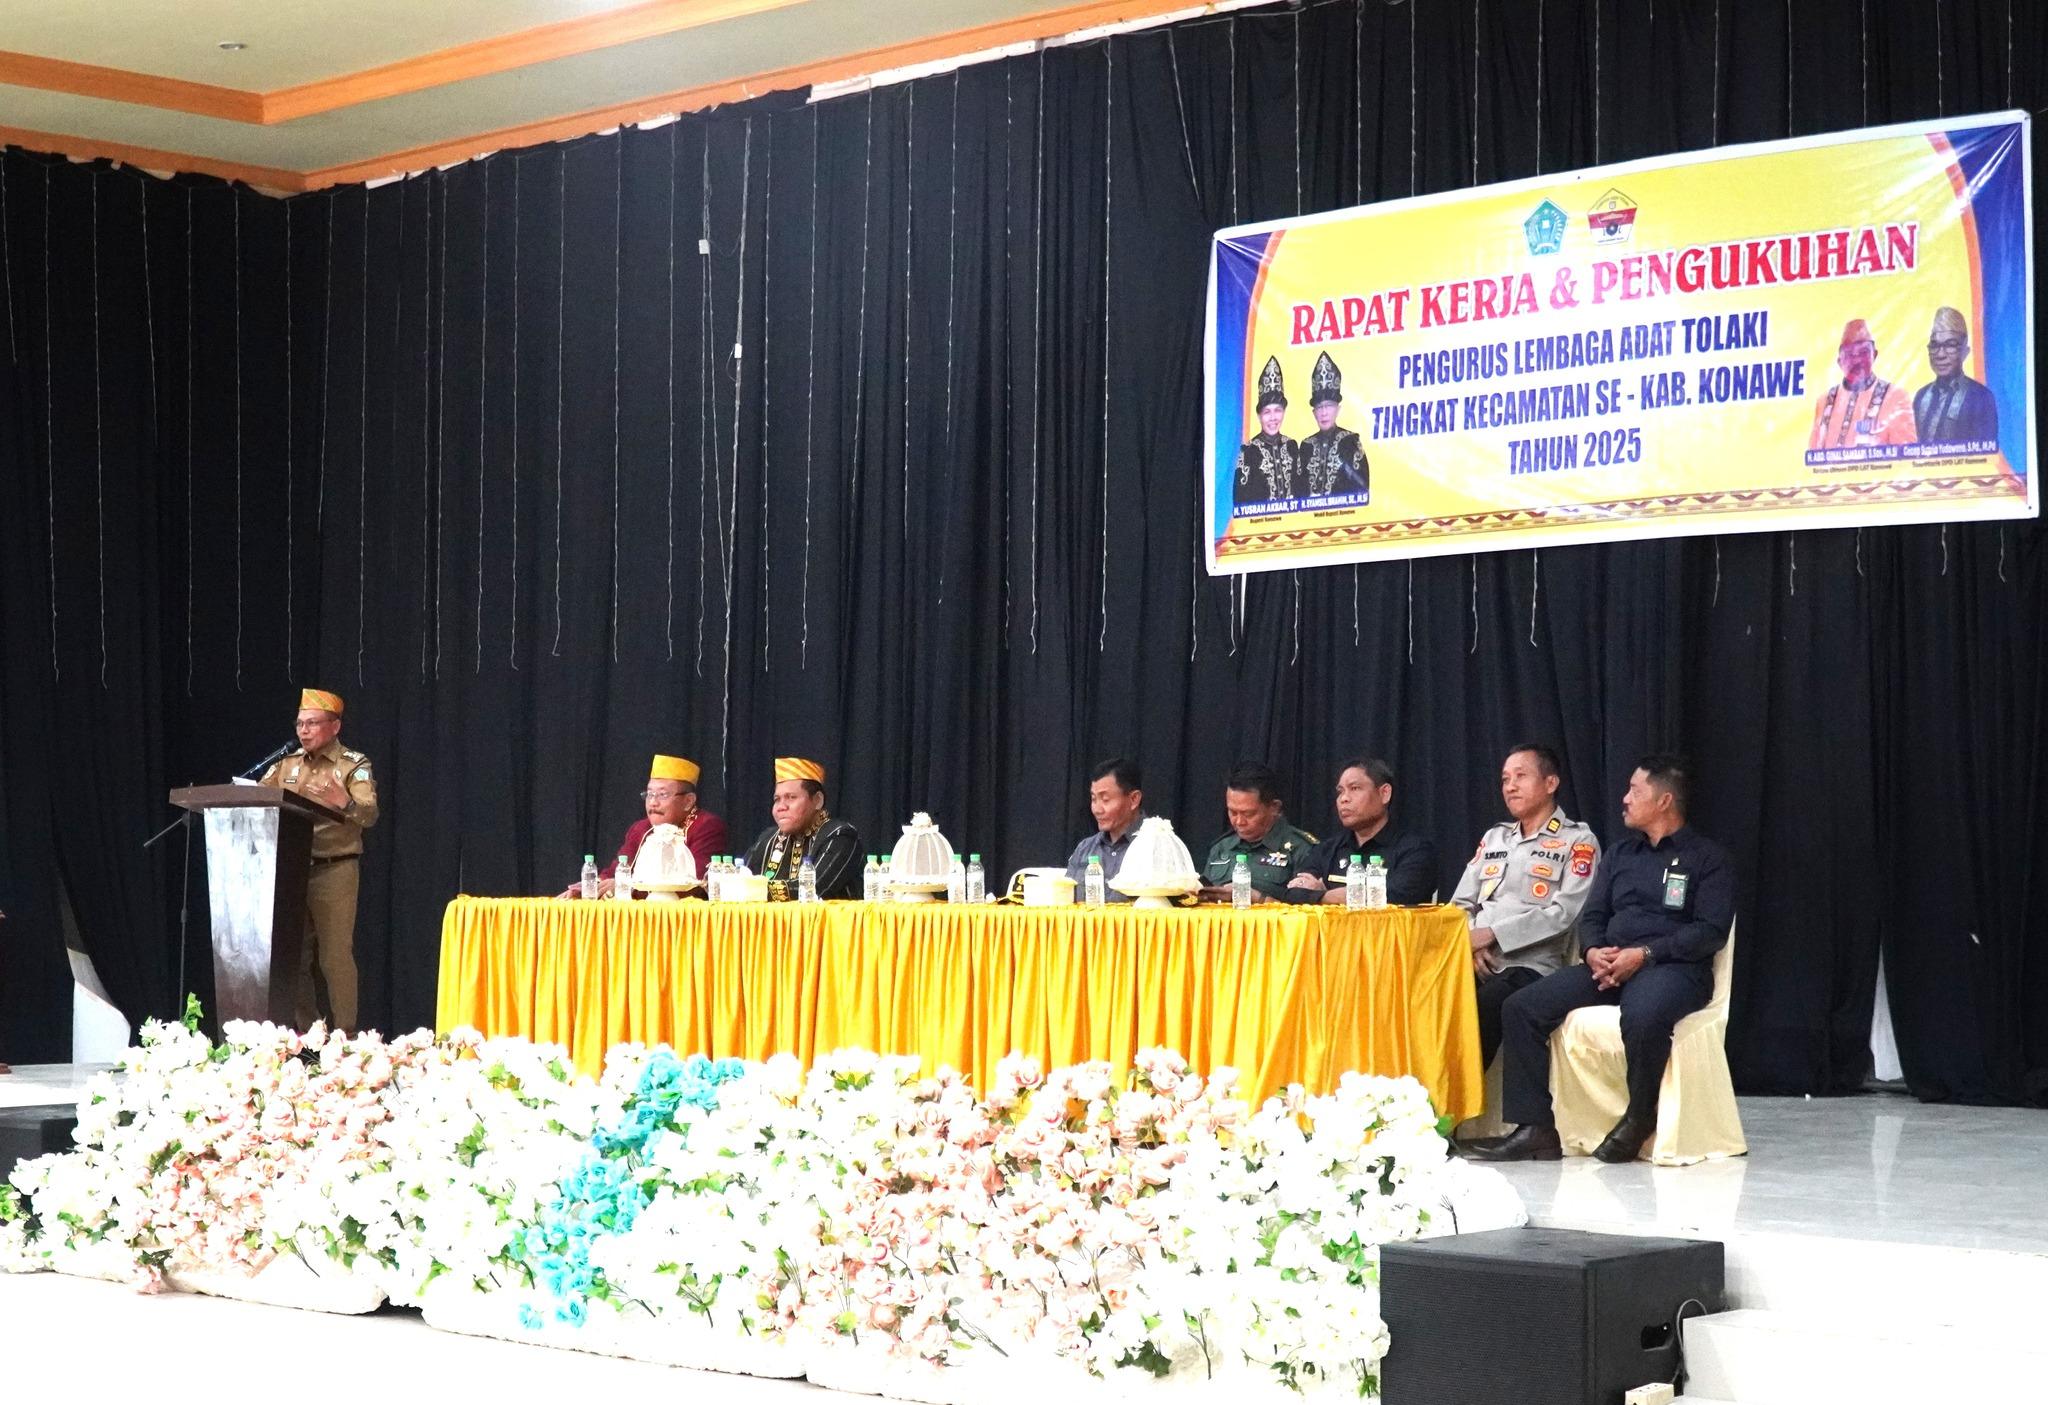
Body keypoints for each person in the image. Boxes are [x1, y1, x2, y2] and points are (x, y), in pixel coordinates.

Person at [1469, 755, 1734, 1165]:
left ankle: (1640, 1117)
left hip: (1672, 968)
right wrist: (1592, 950)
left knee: (1644, 1014)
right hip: (1608, 966)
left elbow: (1710, 931)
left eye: (1634, 791)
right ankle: (1535, 1129)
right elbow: (1592, 916)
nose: (1624, 799)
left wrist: (1644, 954)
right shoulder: (1619, 854)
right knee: (1521, 1007)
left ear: (1664, 801)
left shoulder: (1707, 858)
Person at [1449, 744, 1602, 1070]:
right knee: (1424, 996)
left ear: (1550, 783)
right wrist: (1470, 943)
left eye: (1520, 776)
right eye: (1505, 779)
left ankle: (1456, 1099)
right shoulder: (1495, 837)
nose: (1510, 786)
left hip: (1532, 966)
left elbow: (1564, 913)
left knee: (1482, 1007)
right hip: (1474, 959)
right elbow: (1459, 905)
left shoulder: (1578, 841)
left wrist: (1492, 934)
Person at [259, 688, 379, 1032]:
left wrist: (346, 803)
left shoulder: (353, 765)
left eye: (312, 723)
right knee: (292, 958)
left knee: (334, 957)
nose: (303, 731)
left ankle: (347, 1036)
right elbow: (257, 795)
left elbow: (370, 814)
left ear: (335, 726)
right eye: (300, 724)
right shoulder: (287, 764)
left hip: (334, 869)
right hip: (291, 869)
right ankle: (311, 1036)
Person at [560, 754, 729, 898]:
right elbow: (617, 869)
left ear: (688, 801)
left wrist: (626, 887)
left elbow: (696, 882)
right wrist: (590, 887)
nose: (653, 802)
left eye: (662, 795)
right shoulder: (641, 828)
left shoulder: (706, 826)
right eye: (649, 794)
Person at [1285, 756, 1439, 906]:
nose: (1344, 799)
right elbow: (1292, 892)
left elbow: (1398, 894)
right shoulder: (1328, 849)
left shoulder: (1415, 850)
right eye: (1340, 791)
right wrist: (1329, 897)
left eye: (1355, 788)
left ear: (1384, 793)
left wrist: (1324, 895)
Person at [742, 757, 862, 900]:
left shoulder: (840, 835)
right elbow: (741, 876)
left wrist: (751, 889)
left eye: (791, 797)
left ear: (817, 800)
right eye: (777, 799)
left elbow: (813, 888)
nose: (781, 807)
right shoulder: (768, 839)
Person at [1197, 763, 1316, 902]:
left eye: (1248, 814)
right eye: (1233, 812)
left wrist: (1256, 898)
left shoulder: (1301, 850)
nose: (1239, 821)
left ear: (1274, 808)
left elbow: (1308, 912)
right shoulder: (1221, 848)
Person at [1808, 318, 1916, 450]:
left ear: (1874, 355)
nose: (1857, 360)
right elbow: (1813, 455)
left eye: (1863, 352)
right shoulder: (1824, 401)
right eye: (1849, 354)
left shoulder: (1896, 397)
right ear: (1839, 362)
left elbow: (1906, 455)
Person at [1912, 306, 1999, 446]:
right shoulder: (1921, 396)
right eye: (1934, 346)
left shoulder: (1980, 397)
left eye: (1950, 345)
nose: (1940, 354)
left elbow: (1986, 453)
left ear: (1965, 351)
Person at [1065, 757, 1147, 899]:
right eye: (1093, 799)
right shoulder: (1084, 849)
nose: (1097, 809)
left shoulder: (1157, 847)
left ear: (1134, 799)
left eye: (1105, 799)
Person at [1299, 351, 1369, 499]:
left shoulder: (1350, 442)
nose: (1324, 413)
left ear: (1338, 409)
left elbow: (1361, 489)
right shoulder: (1306, 447)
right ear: (1314, 413)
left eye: (1329, 406)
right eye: (1319, 407)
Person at [1234, 356, 1303, 507]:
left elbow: (1301, 492)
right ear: (1259, 415)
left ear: (1284, 412)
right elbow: (1240, 501)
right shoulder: (1248, 451)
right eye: (1267, 412)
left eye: (1278, 410)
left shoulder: (1291, 446)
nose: (1273, 418)